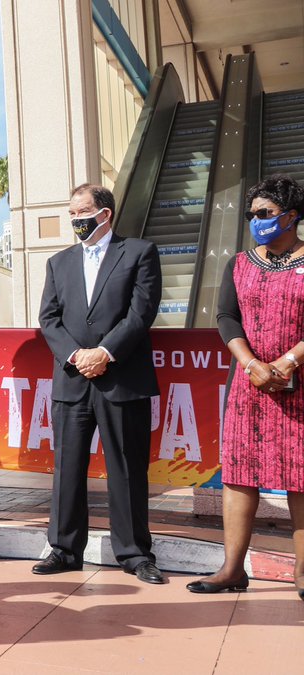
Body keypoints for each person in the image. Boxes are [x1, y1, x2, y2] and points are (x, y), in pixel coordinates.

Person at [36, 183, 164, 583]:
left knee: (126, 467)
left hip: (121, 378)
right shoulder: (59, 263)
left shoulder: (140, 253)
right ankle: (63, 548)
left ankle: (134, 553)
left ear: (105, 213)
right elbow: (49, 318)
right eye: (71, 213)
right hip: (72, 379)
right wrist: (76, 355)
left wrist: (104, 353)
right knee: (67, 468)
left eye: (82, 212)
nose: (76, 219)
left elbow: (140, 314)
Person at [190, 174, 304, 599]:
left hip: (299, 384)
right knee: (240, 474)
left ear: (291, 216)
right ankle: (232, 569)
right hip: (248, 384)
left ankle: (302, 574)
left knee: (300, 475)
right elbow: (226, 317)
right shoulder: (239, 263)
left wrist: (288, 361)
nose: (256, 221)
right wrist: (252, 363)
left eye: (266, 214)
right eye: (252, 214)